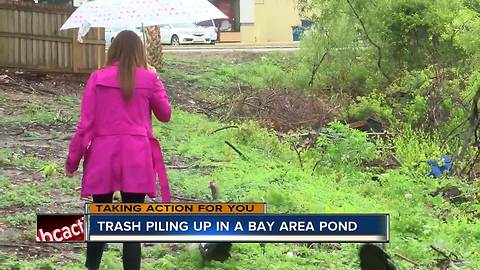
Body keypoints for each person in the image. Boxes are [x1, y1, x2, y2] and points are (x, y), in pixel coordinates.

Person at [64, 30, 172, 270]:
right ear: (139, 51)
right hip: (137, 157)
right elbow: (165, 115)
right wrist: (156, 79)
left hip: (103, 156)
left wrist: (72, 161)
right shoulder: (149, 79)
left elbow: (85, 125)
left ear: (112, 50)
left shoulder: (97, 78)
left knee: (100, 221)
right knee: (132, 228)